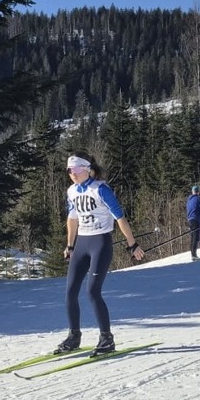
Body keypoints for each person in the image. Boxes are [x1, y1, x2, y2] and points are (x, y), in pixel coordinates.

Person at [58, 151, 145, 356]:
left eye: (77, 169)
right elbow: (72, 219)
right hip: (81, 244)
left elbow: (120, 218)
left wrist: (133, 245)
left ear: (87, 169)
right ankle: (74, 337)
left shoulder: (101, 190)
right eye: (69, 170)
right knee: (70, 291)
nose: (73, 173)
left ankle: (106, 339)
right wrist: (70, 245)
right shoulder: (72, 191)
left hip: (100, 243)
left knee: (92, 292)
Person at [186, 185, 200, 261]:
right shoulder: (198, 198)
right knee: (196, 237)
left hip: (189, 219)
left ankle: (193, 254)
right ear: (198, 192)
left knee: (192, 237)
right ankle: (194, 255)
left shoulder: (189, 199)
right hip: (195, 219)